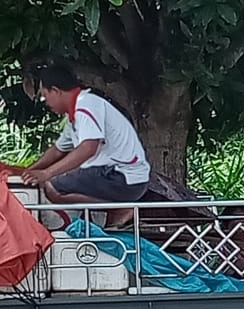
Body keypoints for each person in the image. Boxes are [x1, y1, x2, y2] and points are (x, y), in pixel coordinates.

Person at [19, 64, 151, 227]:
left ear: (56, 91)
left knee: (53, 186)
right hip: (116, 174)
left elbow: (89, 148)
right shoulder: (75, 115)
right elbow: (58, 150)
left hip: (121, 175)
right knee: (58, 180)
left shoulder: (86, 106)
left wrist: (47, 173)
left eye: (45, 96)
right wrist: (29, 170)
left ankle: (118, 208)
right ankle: (110, 211)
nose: (45, 102)